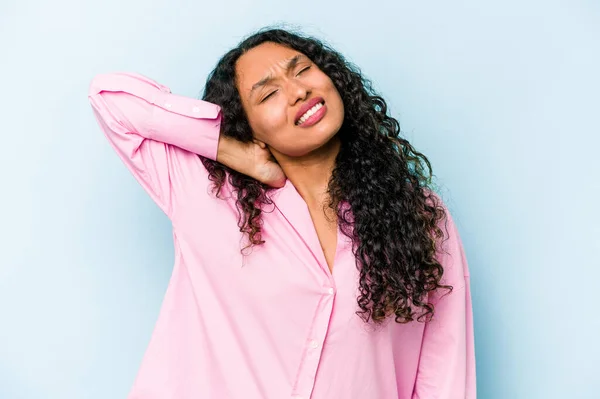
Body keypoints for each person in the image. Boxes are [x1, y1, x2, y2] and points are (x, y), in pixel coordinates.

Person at [88, 27, 476, 399]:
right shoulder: (204, 194)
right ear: (249, 127)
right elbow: (109, 98)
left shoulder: (417, 213)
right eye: (268, 94)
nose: (298, 91)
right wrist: (230, 150)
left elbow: (444, 371)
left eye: (303, 70)